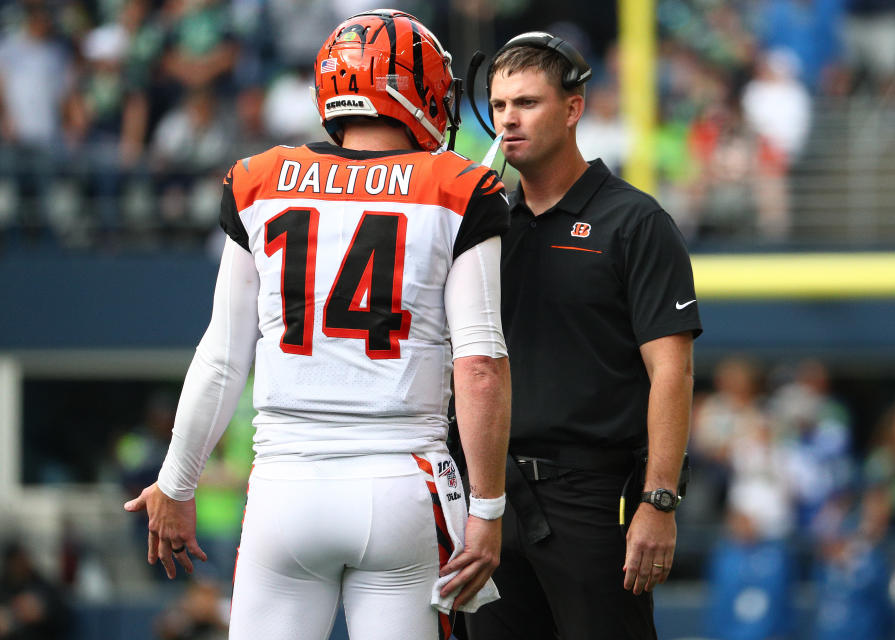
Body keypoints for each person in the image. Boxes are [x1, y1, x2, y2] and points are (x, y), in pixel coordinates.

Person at [123, 10, 512, 640]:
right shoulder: (458, 185)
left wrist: (177, 479)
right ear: (413, 89)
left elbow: (223, 357)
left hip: (286, 483)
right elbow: (480, 365)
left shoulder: (260, 179)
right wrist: (489, 511)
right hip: (403, 482)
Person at [465, 33, 702, 640]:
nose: (508, 120)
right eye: (498, 106)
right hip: (492, 496)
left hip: (594, 500)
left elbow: (671, 372)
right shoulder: (481, 224)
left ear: (573, 108)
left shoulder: (636, 221)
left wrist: (660, 501)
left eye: (527, 102)